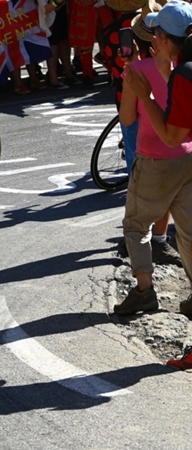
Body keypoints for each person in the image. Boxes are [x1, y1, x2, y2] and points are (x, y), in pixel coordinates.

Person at [118, 0, 192, 319]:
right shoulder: (183, 68)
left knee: (136, 224)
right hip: (188, 160)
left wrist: (142, 91)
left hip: (155, 160)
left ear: (159, 38)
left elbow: (130, 119)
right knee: (188, 235)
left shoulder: (141, 71)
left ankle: (145, 291)